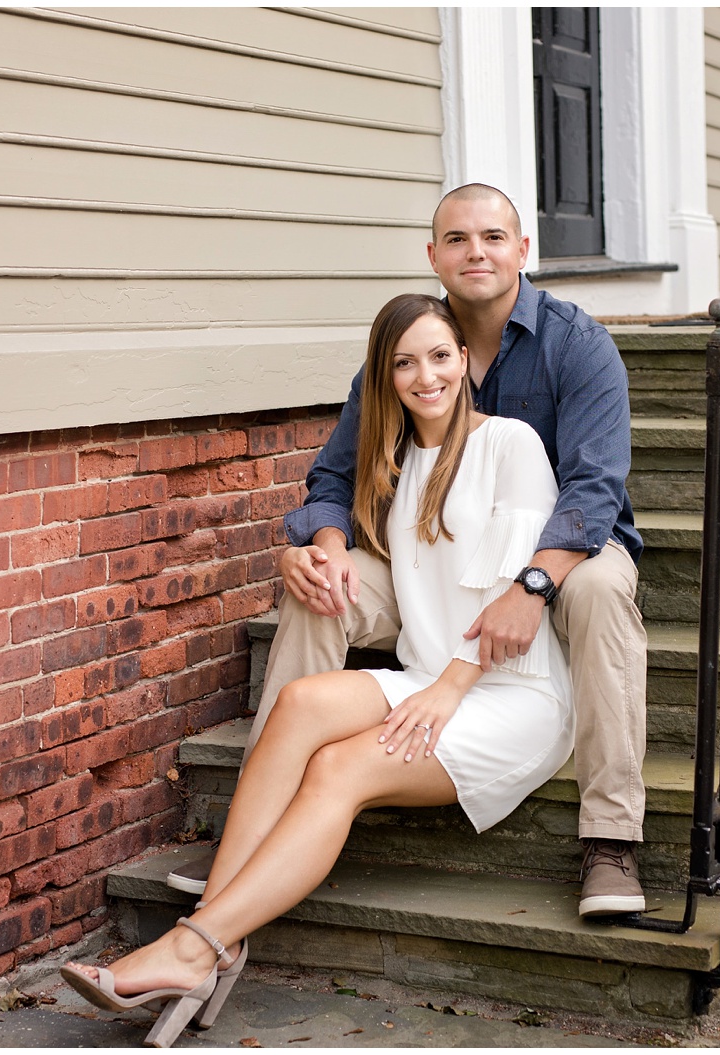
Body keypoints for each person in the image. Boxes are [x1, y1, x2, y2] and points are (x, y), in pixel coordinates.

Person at [61, 294, 573, 1045]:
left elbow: (510, 608)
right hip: (430, 674)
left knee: (338, 769)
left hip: (509, 694)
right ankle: (221, 931)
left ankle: (193, 946)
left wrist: (446, 691)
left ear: (466, 360)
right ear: (384, 377)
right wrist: (301, 556)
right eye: (404, 363)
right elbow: (348, 539)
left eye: (439, 355)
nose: (424, 375)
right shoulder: (395, 458)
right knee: (301, 702)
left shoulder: (513, 444)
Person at [168, 183, 649, 916]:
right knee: (324, 587)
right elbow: (332, 475)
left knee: (603, 592)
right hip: (435, 560)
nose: (475, 251)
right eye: (457, 239)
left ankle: (611, 838)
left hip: (567, 550)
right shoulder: (412, 344)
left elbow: (593, 490)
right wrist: (324, 546)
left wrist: (528, 587)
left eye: (493, 236)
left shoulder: (573, 344)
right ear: (434, 255)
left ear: (523, 250)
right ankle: (257, 830)